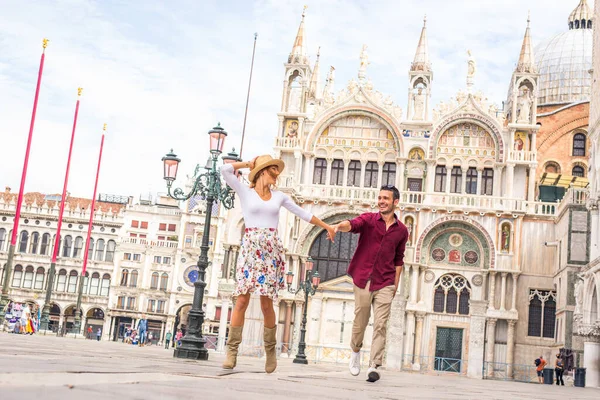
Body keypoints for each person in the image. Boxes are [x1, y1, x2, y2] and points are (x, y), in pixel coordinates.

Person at [220, 155, 336, 373]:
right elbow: (225, 170)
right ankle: (232, 352)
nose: (277, 173)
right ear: (263, 171)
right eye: (273, 169)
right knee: (242, 300)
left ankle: (270, 352)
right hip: (249, 249)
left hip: (270, 250)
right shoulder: (245, 191)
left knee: (266, 303)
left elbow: (303, 213)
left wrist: (326, 226)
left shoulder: (279, 197)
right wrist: (247, 164)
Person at [333, 185, 408, 383]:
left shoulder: (402, 230)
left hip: (386, 282)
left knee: (381, 324)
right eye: (380, 197)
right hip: (363, 279)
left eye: (386, 198)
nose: (382, 201)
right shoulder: (368, 220)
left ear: (395, 202)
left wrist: (395, 285)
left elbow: (399, 259)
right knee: (361, 321)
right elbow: (352, 224)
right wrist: (338, 227)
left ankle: (374, 365)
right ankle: (356, 351)